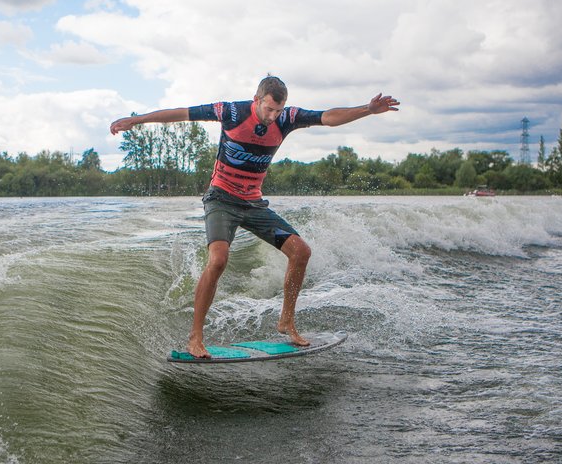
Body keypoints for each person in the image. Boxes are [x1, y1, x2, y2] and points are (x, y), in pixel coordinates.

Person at [110, 76, 399, 358]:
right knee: (218, 259)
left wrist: (367, 110)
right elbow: (180, 114)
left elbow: (328, 117)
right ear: (256, 100)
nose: (273, 116)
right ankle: (195, 337)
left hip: (254, 204)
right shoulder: (231, 111)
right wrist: (137, 120)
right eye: (268, 109)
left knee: (301, 252)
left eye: (278, 110)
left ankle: (286, 321)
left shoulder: (287, 118)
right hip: (221, 199)